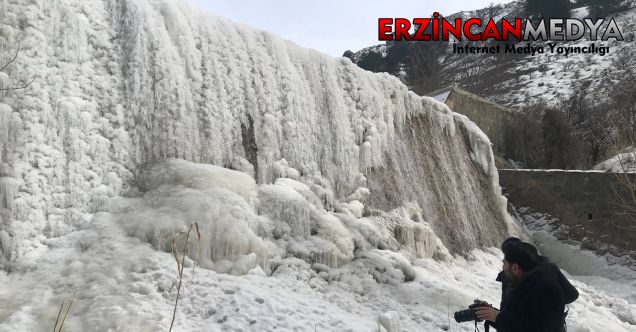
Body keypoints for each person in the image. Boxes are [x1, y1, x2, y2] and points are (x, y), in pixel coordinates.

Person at [475, 242, 566, 332]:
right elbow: (518, 318)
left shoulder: (548, 290)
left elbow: (540, 328)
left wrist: (497, 316)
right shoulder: (522, 282)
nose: (503, 268)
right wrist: (490, 313)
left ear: (515, 268)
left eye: (505, 263)